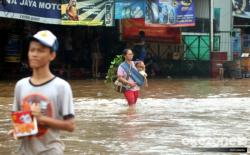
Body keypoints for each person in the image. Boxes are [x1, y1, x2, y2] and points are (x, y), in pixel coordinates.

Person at [8, 30, 75, 155]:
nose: (34, 54)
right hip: (24, 152)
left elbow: (70, 125)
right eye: (32, 50)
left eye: (40, 50)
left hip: (51, 151)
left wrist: (41, 118)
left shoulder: (61, 87)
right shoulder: (20, 85)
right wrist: (17, 131)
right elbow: (19, 123)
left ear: (52, 55)